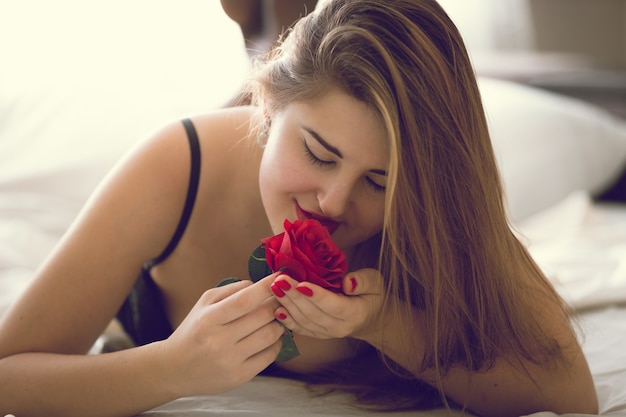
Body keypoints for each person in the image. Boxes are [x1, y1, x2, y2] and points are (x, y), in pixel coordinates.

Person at [0, 1, 598, 416]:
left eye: (380, 182)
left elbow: (571, 398)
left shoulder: (437, 209)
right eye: (318, 153)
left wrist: (384, 323)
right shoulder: (177, 166)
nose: (334, 202)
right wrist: (170, 370)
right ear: (267, 108)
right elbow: (8, 375)